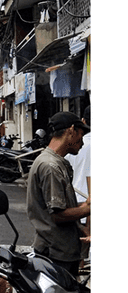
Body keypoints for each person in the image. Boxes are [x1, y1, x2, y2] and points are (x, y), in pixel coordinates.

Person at [26, 111, 91, 277]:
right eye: (81, 135)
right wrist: (88, 209)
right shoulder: (50, 167)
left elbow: (60, 206)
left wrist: (79, 226)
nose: (82, 142)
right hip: (55, 254)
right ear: (70, 131)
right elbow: (58, 215)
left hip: (61, 252)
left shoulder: (56, 162)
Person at [65, 106, 91, 261]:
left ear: (83, 121)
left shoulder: (74, 144)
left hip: (73, 207)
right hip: (87, 206)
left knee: (77, 260)